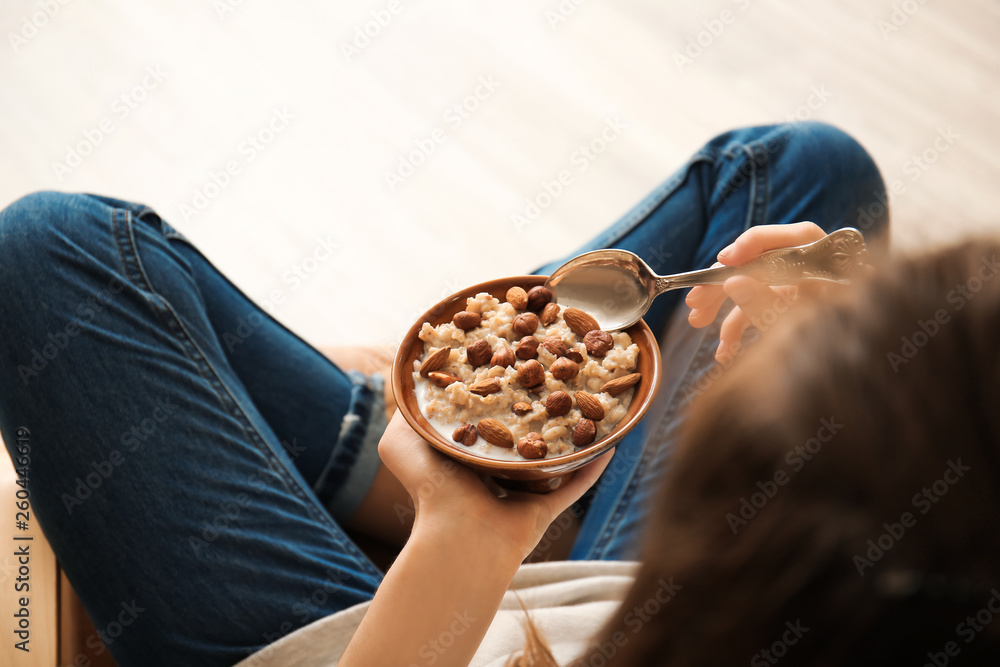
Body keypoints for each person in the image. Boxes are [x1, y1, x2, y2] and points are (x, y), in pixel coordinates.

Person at [0, 121, 897, 666]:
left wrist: (468, 537)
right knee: (804, 167)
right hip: (642, 588)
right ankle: (485, 458)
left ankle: (444, 468)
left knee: (47, 249)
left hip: (366, 644)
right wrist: (822, 396)